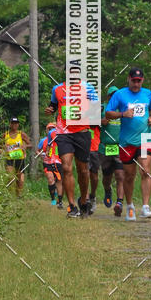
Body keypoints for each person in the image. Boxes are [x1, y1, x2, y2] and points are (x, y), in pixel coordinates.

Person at [105, 68, 151, 221]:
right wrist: (122, 114)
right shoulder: (120, 94)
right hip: (126, 141)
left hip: (145, 137)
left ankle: (146, 207)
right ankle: (130, 206)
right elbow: (108, 113)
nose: (136, 83)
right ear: (128, 79)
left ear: (143, 80)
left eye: (138, 81)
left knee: (146, 170)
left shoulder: (148, 94)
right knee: (129, 175)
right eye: (133, 80)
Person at [45, 81, 98, 217]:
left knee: (83, 170)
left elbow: (97, 107)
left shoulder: (88, 87)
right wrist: (50, 109)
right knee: (67, 168)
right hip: (64, 133)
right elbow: (53, 106)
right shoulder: (57, 89)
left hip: (82, 132)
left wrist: (85, 111)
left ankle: (84, 200)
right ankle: (72, 206)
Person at [97, 86, 125, 214]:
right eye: (112, 94)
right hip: (105, 147)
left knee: (120, 175)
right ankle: (107, 190)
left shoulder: (123, 109)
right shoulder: (102, 108)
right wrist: (101, 121)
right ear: (108, 97)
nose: (115, 96)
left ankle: (119, 202)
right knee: (107, 177)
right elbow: (90, 121)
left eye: (117, 94)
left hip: (120, 147)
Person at [4, 117, 31, 195]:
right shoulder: (5, 135)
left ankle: (18, 195)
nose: (14, 125)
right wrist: (3, 148)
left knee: (20, 180)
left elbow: (30, 144)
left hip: (20, 159)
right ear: (10, 124)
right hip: (9, 159)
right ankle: (8, 195)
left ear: (18, 124)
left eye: (16, 123)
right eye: (13, 123)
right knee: (10, 177)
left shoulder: (21, 134)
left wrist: (25, 146)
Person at [40, 122, 63, 207]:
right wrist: (42, 155)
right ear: (47, 130)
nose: (51, 130)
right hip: (47, 162)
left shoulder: (60, 136)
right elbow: (38, 150)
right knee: (50, 179)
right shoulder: (43, 140)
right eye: (49, 129)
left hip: (58, 161)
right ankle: (53, 198)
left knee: (59, 181)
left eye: (52, 128)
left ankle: (60, 201)